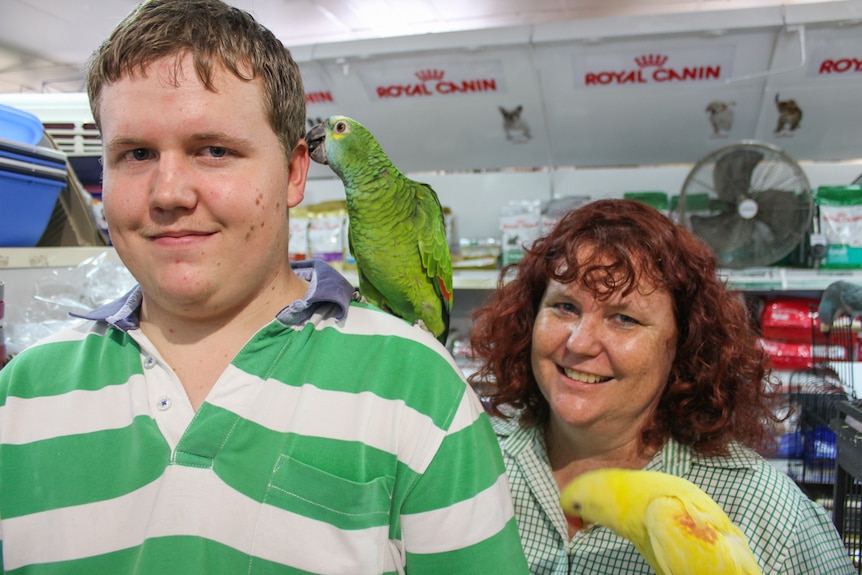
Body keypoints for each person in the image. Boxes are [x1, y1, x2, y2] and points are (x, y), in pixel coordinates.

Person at [0, 1, 529, 574]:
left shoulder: (422, 392)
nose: (169, 192)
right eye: (136, 154)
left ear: (295, 172)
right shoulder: (19, 397)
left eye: (214, 150)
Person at [468, 199, 855, 574]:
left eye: (624, 318)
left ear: (683, 346)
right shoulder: (461, 463)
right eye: (565, 307)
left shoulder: (764, 511)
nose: (579, 343)